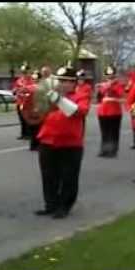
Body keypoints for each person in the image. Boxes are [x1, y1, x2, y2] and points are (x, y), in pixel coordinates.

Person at [35, 64, 91, 219]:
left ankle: (64, 206)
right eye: (60, 80)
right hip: (48, 139)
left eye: (66, 81)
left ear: (73, 83)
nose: (62, 83)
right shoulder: (50, 94)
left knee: (68, 177)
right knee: (49, 175)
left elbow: (79, 112)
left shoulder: (81, 95)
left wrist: (58, 99)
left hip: (70, 142)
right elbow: (37, 113)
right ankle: (50, 204)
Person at [96, 65, 126, 158]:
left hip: (114, 111)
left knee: (113, 132)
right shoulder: (102, 84)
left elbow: (122, 95)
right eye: (108, 76)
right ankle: (104, 149)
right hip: (103, 111)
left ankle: (113, 150)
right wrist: (104, 87)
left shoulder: (119, 85)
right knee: (104, 132)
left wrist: (112, 87)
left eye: (111, 76)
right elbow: (100, 95)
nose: (109, 78)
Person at [12, 63, 33, 140]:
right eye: (23, 72)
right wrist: (14, 90)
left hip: (28, 102)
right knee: (21, 118)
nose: (24, 74)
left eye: (26, 72)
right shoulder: (19, 80)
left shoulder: (32, 80)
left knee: (28, 119)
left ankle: (29, 134)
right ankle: (23, 133)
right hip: (20, 101)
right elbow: (15, 88)